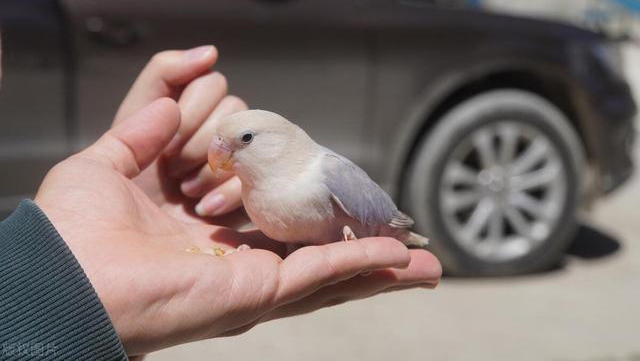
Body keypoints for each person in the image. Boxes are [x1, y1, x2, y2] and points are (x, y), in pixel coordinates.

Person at [0, 46, 441, 359]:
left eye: (243, 141)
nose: (222, 154)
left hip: (375, 224)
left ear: (275, 141)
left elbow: (380, 213)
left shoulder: (325, 171)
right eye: (223, 144)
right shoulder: (255, 195)